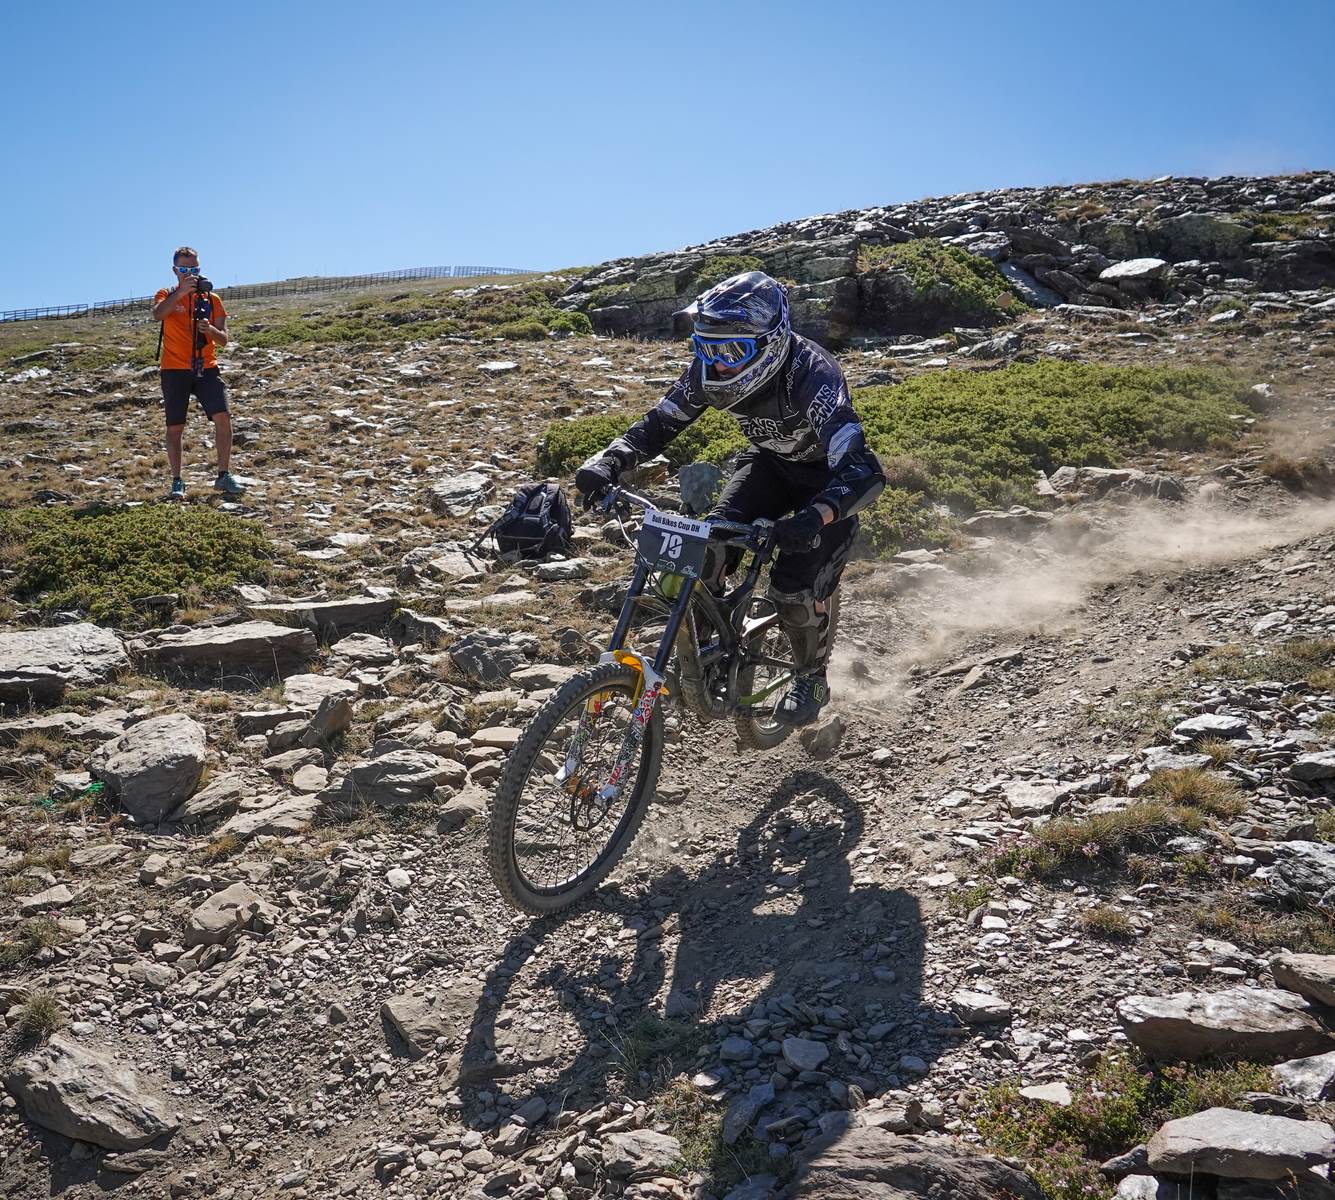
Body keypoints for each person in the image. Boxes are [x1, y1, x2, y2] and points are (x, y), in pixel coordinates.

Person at [575, 271, 886, 727]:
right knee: (708, 549)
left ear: (771, 342)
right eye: (705, 348)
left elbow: (864, 471)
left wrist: (815, 517)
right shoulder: (709, 371)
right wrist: (609, 461)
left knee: (792, 589)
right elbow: (660, 423)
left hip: (828, 483)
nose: (716, 364)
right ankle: (713, 648)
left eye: (730, 351)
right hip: (769, 467)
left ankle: (810, 677)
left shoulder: (813, 375)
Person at [151, 246, 241, 499]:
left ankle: (223, 475)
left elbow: (224, 340)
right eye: (184, 270)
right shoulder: (166, 294)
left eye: (195, 269)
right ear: (175, 271)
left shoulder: (212, 299)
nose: (190, 274)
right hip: (174, 370)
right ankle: (177, 480)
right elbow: (158, 314)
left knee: (223, 417)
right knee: (175, 427)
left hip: (207, 368)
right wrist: (180, 293)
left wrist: (210, 330)